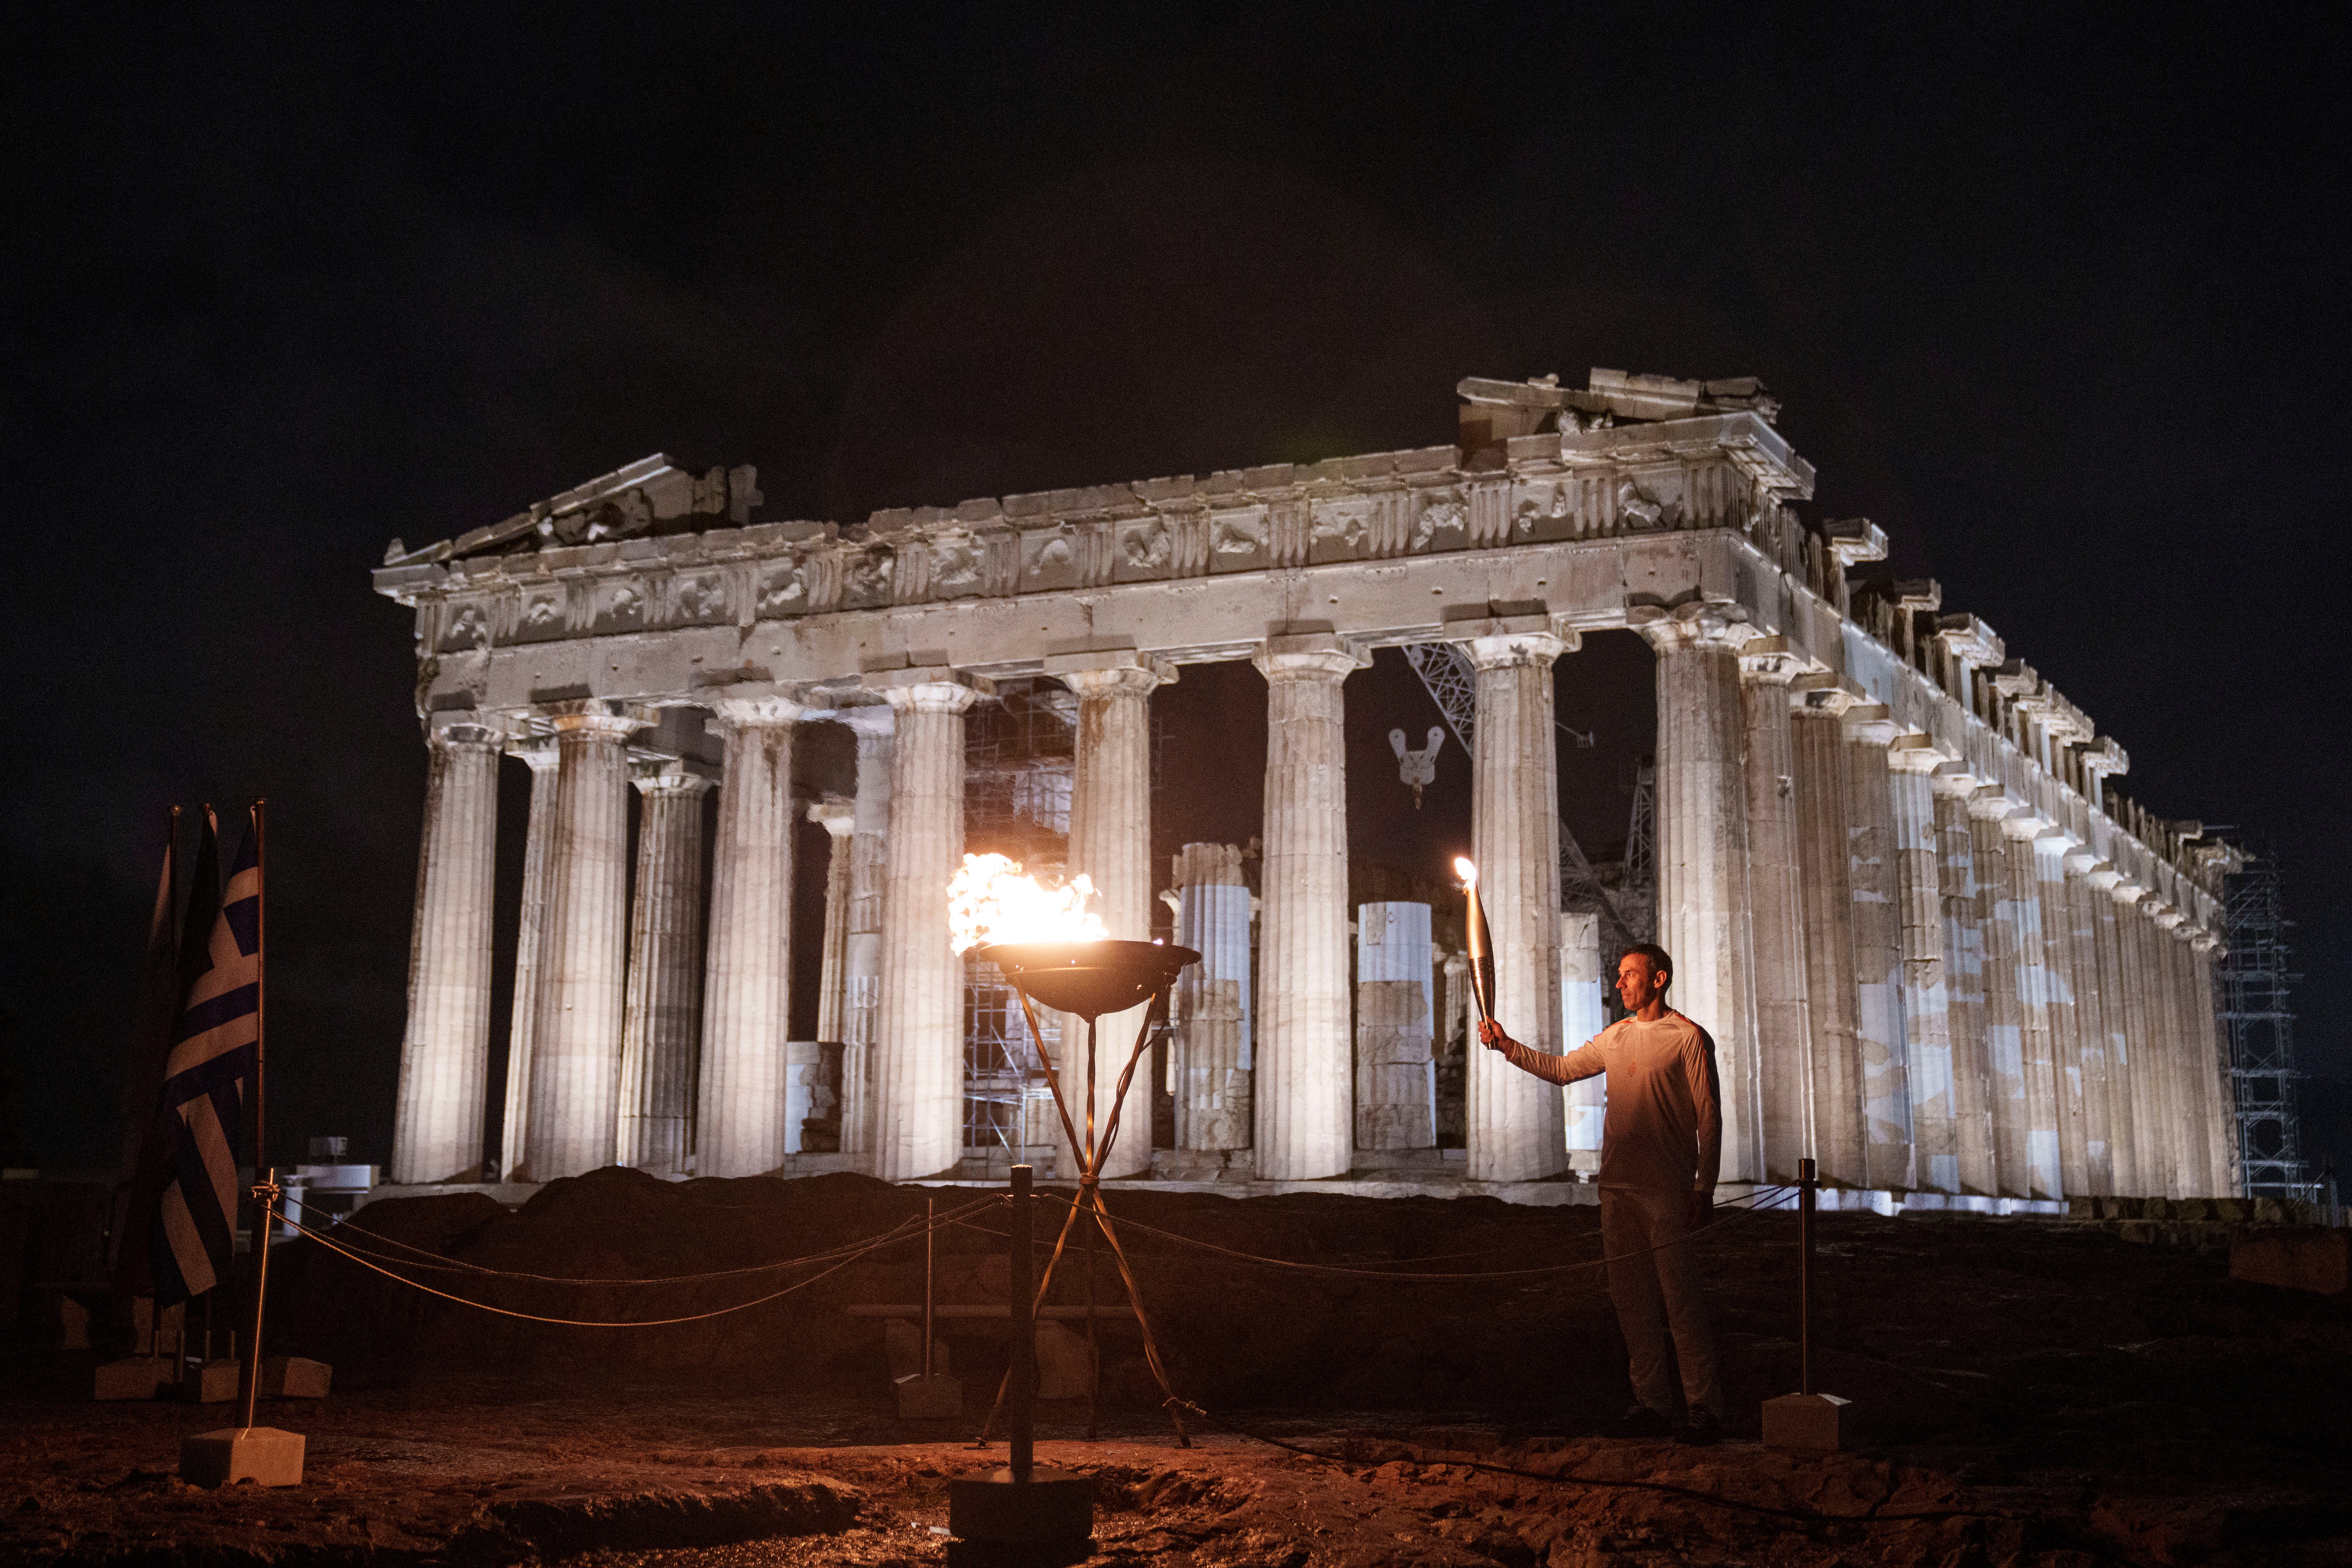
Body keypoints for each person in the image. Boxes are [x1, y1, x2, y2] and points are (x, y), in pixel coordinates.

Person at [1478, 942, 1724, 1445]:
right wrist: (1507, 1044)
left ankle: (1705, 1408)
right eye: (1619, 975)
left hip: (1667, 1190)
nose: (1620, 983)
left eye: (1629, 974)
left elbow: (1709, 1117)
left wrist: (1705, 1186)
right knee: (1631, 1300)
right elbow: (1563, 1069)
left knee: (1681, 1300)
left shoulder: (1689, 1038)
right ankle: (1652, 1403)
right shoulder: (1615, 1037)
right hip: (1617, 1188)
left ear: (1658, 979)